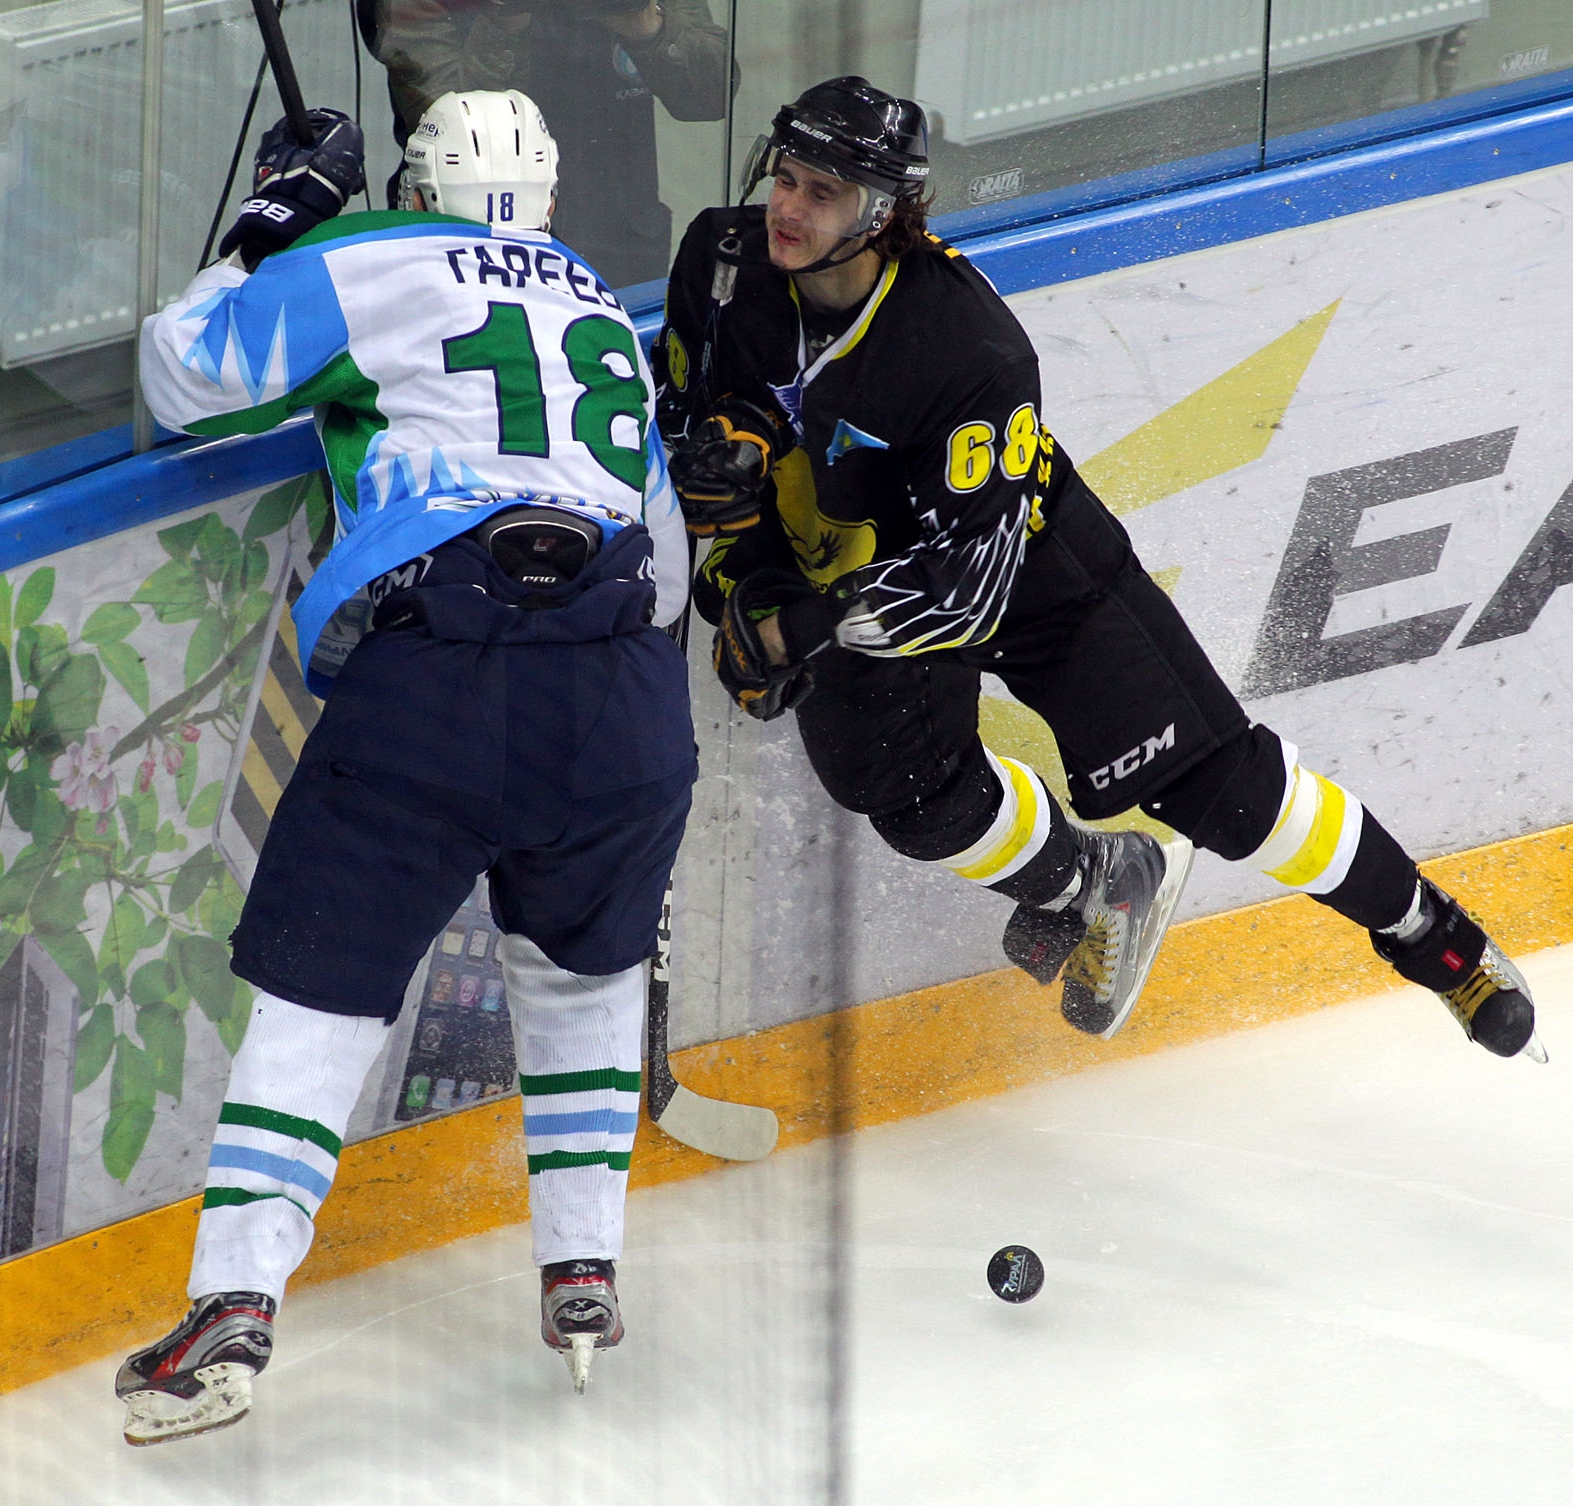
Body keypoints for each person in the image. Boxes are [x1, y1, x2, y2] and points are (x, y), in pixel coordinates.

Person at [654, 75, 1544, 1065]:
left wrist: (795, 627)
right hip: (845, 568)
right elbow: (688, 423)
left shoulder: (966, 346)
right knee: (909, 798)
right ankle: (1093, 882)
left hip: (1027, 573)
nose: (787, 207)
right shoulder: (721, 260)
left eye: (823, 192)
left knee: (1223, 795)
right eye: (786, 176)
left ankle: (1436, 939)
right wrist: (743, 562)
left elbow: (966, 592)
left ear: (883, 213)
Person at [116, 88, 695, 1444]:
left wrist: (273, 224)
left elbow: (182, 374)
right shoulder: (598, 309)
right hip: (626, 697)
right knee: (581, 977)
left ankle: (235, 1302)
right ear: (549, 201)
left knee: (320, 995)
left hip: (443, 679)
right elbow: (667, 567)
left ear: (416, 191)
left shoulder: (371, 256)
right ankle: (583, 1270)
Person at [360, 0, 731, 286]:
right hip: (469, 252)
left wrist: (645, 24)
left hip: (618, 244)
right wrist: (507, 16)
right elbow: (440, 123)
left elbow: (714, 96)